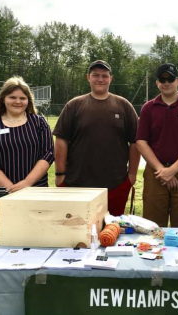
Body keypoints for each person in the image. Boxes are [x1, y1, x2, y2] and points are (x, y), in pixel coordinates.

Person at [53, 60, 140, 216]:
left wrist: (132, 175)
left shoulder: (124, 105)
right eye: (96, 75)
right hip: (76, 183)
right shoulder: (74, 105)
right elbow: (61, 140)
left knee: (111, 232)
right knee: (76, 231)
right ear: (88, 77)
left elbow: (135, 141)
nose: (100, 79)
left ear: (110, 79)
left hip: (115, 183)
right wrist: (60, 174)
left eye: (104, 76)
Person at [136, 63, 178, 227]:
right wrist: (162, 170)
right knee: (153, 226)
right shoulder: (148, 108)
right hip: (155, 172)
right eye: (162, 79)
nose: (166, 82)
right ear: (157, 83)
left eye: (170, 78)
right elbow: (141, 142)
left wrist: (173, 170)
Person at [0, 76, 54, 202]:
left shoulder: (39, 123)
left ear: (28, 101)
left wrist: (27, 183)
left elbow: (48, 154)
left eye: (22, 98)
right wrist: (9, 187)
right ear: (3, 99)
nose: (17, 101)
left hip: (35, 191)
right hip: (1, 193)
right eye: (12, 97)